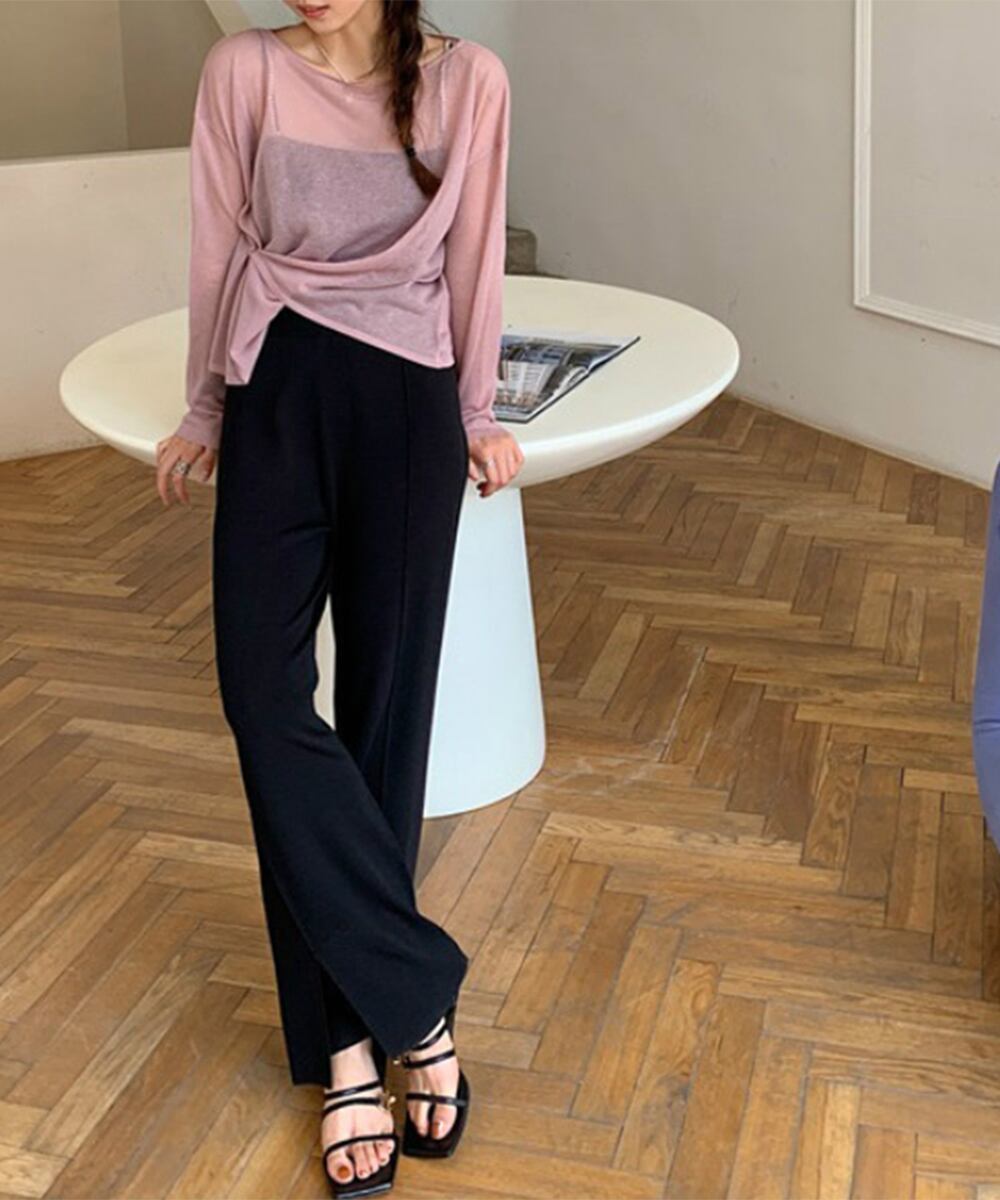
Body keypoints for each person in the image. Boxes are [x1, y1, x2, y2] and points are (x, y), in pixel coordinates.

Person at [153, 2, 523, 1194]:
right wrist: (204, 406)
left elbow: (476, 252)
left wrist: (476, 411)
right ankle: (416, 999)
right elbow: (216, 240)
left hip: (407, 400)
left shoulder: (469, 82)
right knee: (261, 700)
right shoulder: (243, 71)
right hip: (275, 386)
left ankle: (347, 1048)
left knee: (384, 719)